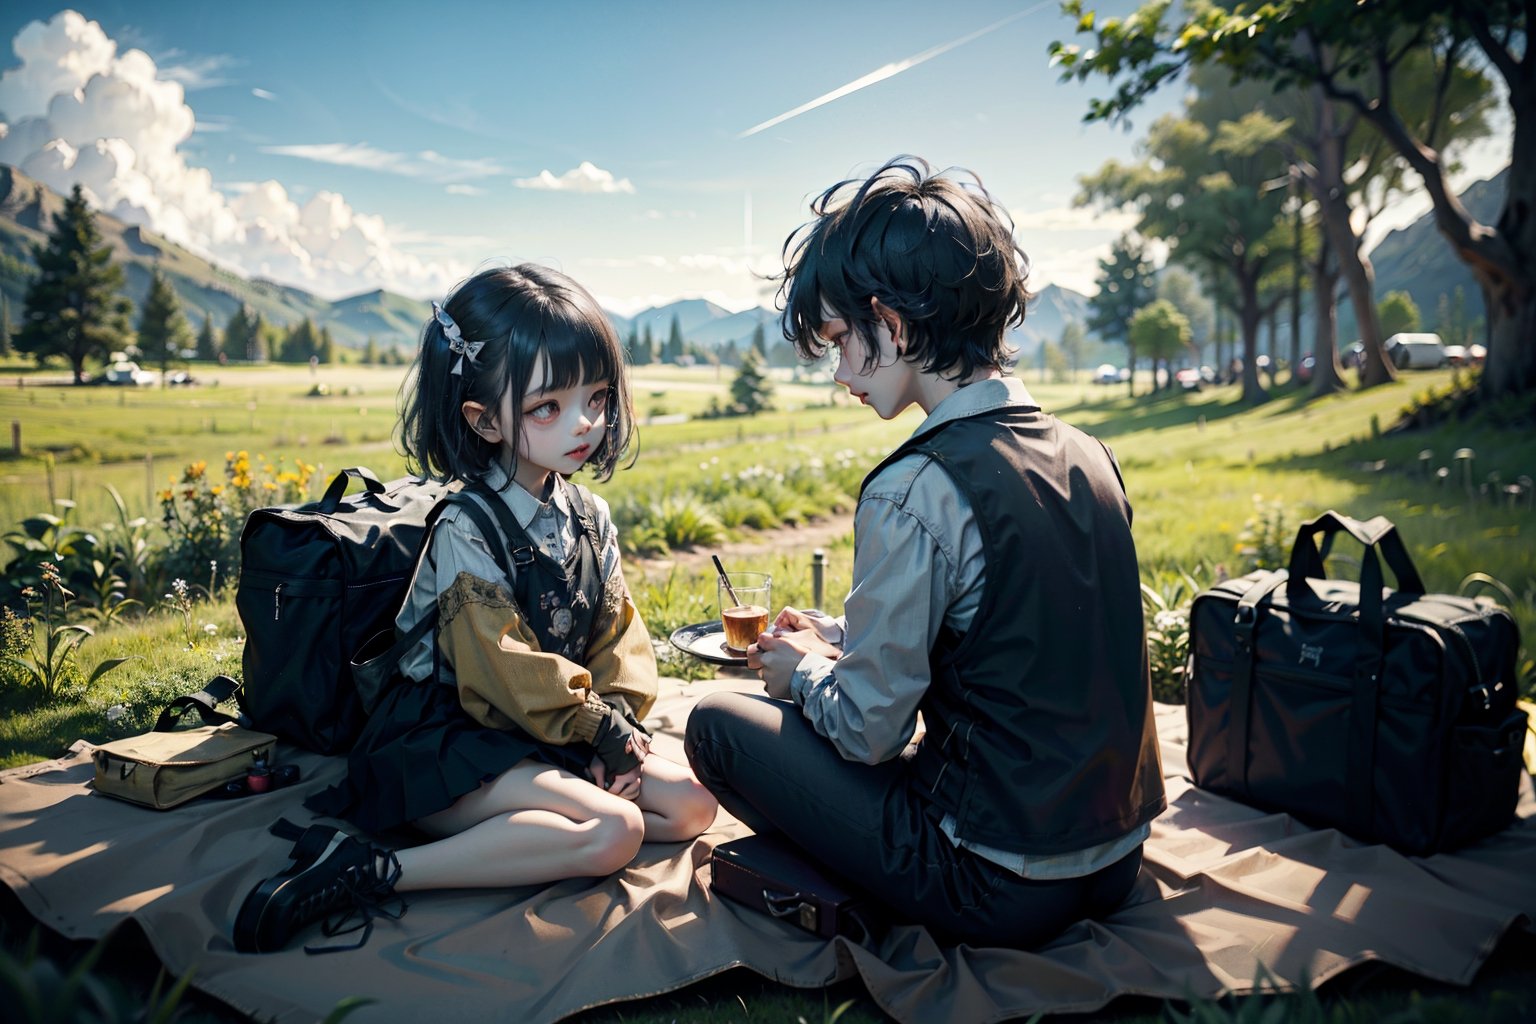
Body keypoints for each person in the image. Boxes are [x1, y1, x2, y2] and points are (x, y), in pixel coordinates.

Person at [684, 158, 1165, 949]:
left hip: (996, 883)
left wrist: (801, 671)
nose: (839, 373)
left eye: (841, 340)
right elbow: (1023, 630)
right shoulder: (1088, 453)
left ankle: (855, 881)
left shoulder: (914, 486)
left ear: (895, 326)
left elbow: (870, 732)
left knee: (717, 724)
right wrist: (840, 640)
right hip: (1117, 860)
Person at [235, 264, 718, 954]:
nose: (583, 423)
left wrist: (618, 725)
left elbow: (618, 635)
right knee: (616, 831)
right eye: (548, 407)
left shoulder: (589, 514)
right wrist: (589, 726)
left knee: (694, 806)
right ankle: (370, 868)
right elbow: (498, 667)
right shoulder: (467, 525)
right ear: (485, 418)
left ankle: (542, 817)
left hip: (545, 726)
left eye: (597, 398)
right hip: (448, 733)